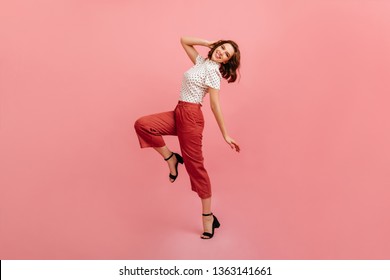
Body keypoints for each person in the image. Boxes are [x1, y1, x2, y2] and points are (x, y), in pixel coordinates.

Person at [134, 36, 241, 239]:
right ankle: (171, 158)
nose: (222, 53)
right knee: (143, 125)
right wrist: (208, 43)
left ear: (226, 62)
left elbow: (214, 105)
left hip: (192, 117)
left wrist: (225, 134)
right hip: (179, 111)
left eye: (226, 54)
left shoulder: (213, 72)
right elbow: (184, 40)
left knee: (196, 168)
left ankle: (208, 217)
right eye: (222, 48)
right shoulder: (201, 62)